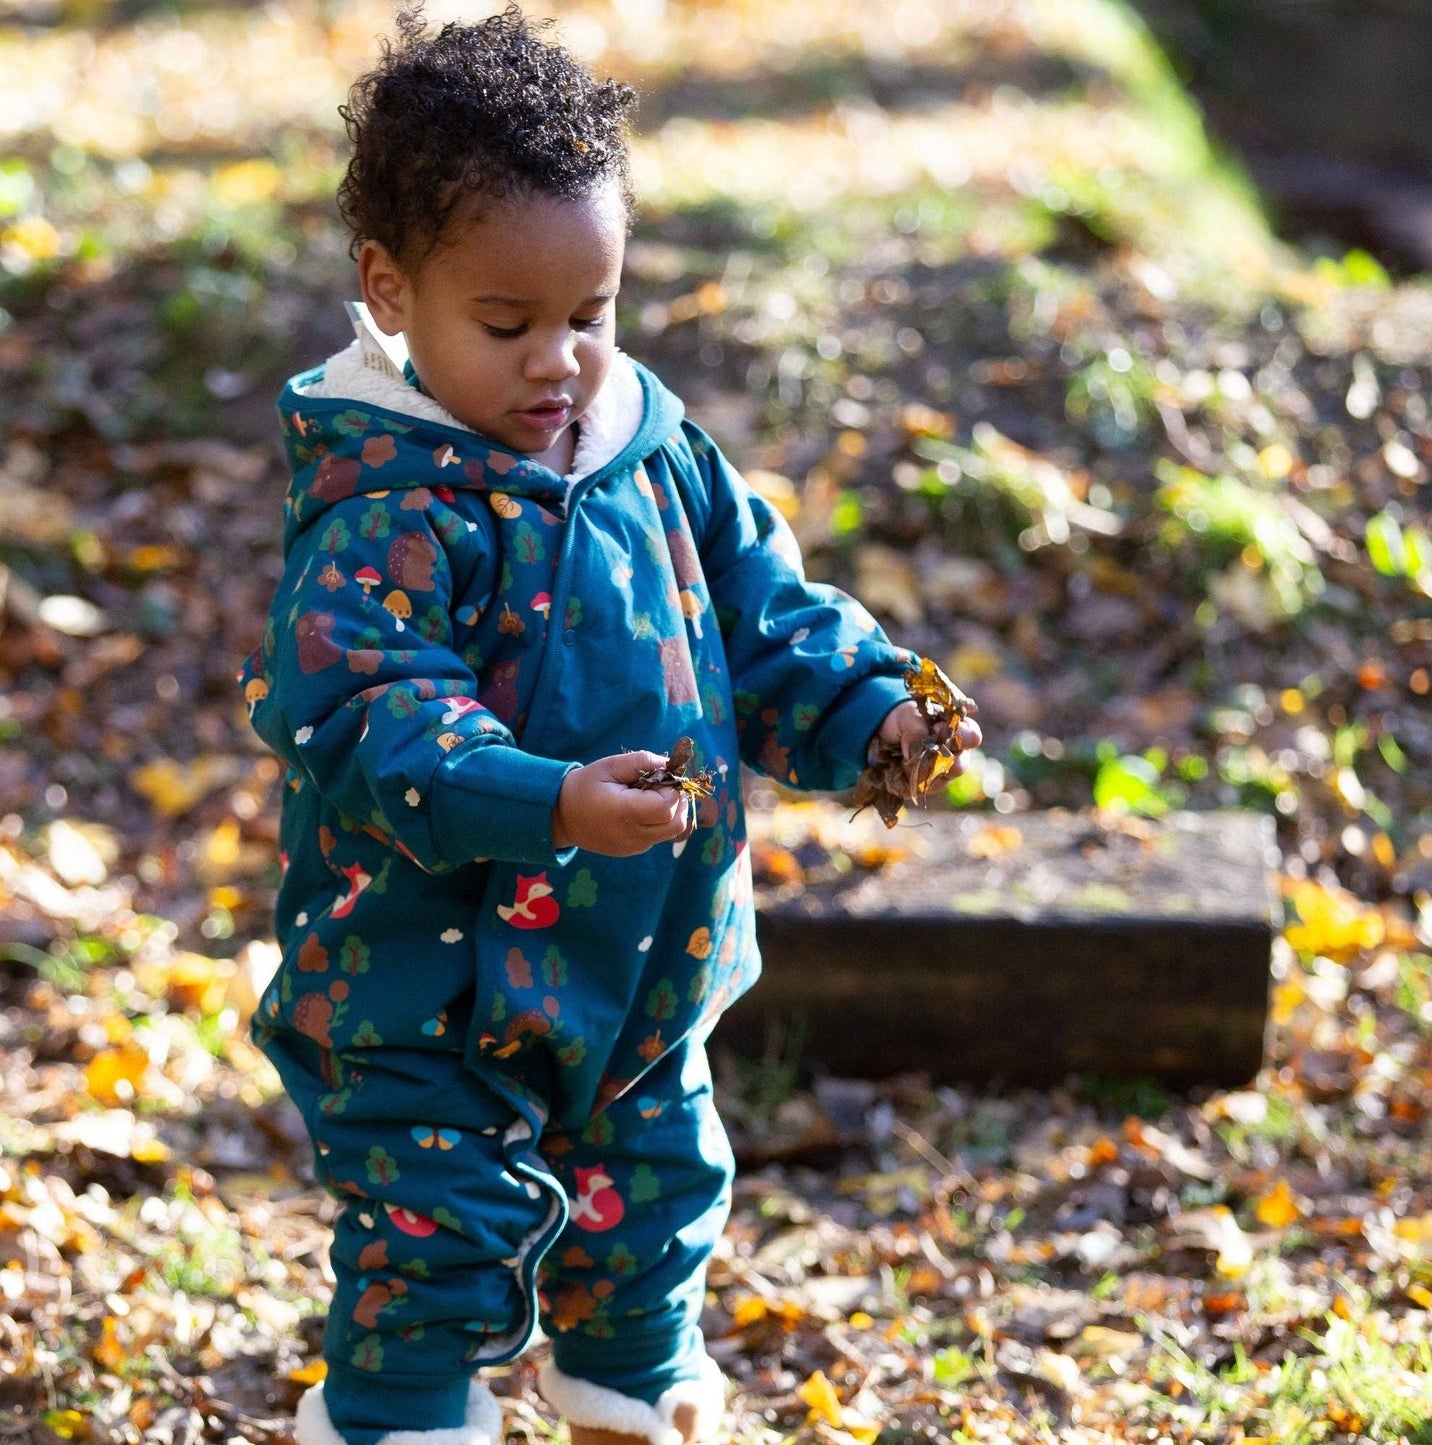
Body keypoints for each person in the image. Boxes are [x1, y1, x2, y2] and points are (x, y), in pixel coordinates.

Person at [238, 8, 981, 1445]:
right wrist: (550, 799)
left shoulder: (653, 448)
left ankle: (628, 1403)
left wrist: (868, 709)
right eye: (505, 325)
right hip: (425, 992)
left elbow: (765, 615)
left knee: (646, 1229)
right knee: (432, 1251)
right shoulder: (386, 505)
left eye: (590, 315)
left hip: (642, 967)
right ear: (390, 290)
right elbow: (370, 717)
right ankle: (407, 1418)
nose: (558, 362)